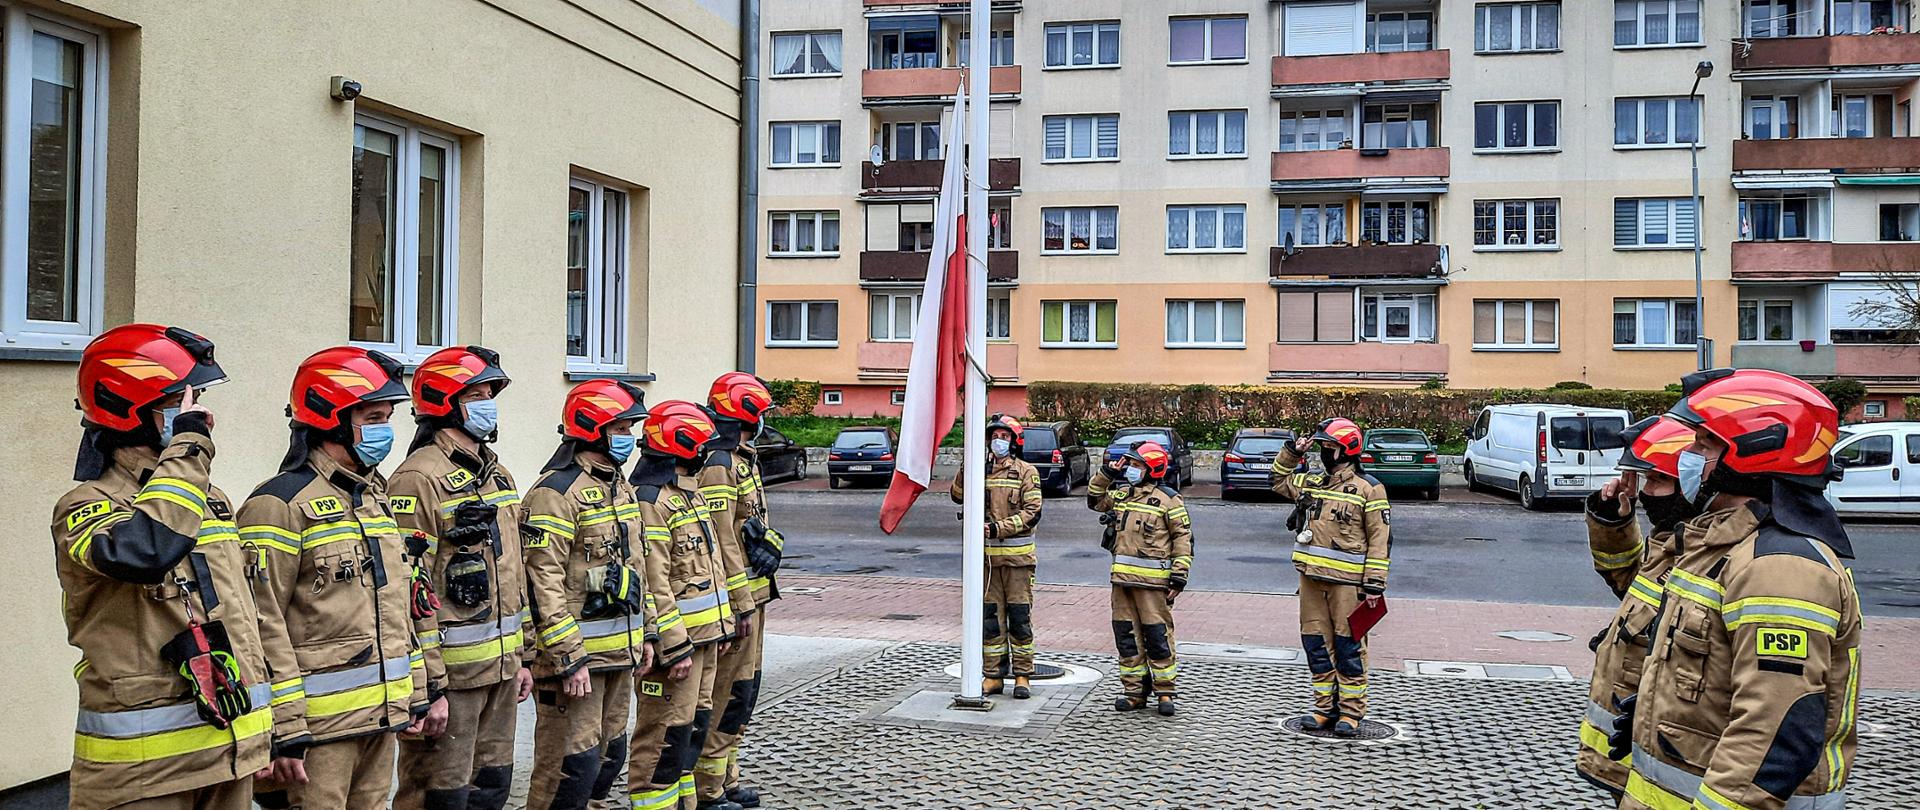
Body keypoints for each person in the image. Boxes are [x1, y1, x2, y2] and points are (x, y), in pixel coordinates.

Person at [1613, 369, 1863, 810]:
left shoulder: (1781, 568)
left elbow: (1774, 730)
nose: (1687, 456)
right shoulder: (1719, 545)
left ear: (1754, 452)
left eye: (1703, 445)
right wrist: (1665, 708)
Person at [53, 324, 273, 810]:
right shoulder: (86, 506)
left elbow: (244, 618)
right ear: (129, 409)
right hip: (144, 776)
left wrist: (268, 733)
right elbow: (145, 551)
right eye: (181, 402)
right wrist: (190, 447)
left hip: (229, 754)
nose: (201, 416)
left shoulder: (207, 500)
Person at [241, 346, 435, 808]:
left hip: (380, 718)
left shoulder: (373, 495)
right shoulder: (278, 505)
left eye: (387, 417)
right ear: (331, 417)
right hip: (317, 734)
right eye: (372, 416)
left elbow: (400, 603)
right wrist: (284, 729)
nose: (384, 430)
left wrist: (418, 693)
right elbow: (260, 624)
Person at [390, 346, 532, 810]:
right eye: (478, 393)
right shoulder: (418, 478)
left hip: (502, 671)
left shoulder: (498, 474)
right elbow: (408, 592)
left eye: (491, 393)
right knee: (438, 795)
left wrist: (524, 655)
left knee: (491, 788)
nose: (489, 402)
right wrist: (427, 689)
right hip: (452, 680)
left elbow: (516, 571)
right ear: (445, 401)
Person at [521, 380, 657, 810]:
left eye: (631, 428)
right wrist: (567, 657)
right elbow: (542, 582)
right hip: (576, 666)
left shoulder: (620, 487)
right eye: (621, 428)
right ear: (592, 427)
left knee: (605, 763)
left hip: (620, 655)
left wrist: (648, 632)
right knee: (568, 769)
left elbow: (638, 567)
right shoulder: (555, 493)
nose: (629, 439)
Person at [1577, 416, 1703, 800]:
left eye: (1657, 480)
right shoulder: (1673, 542)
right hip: (1639, 757)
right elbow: (1631, 583)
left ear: (1694, 485)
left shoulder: (1709, 554)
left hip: (1673, 768)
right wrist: (1613, 521)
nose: (1646, 492)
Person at [627, 400, 741, 810]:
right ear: (682, 446)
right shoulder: (650, 500)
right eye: (701, 445)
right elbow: (655, 581)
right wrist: (673, 645)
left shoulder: (687, 495)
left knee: (690, 734)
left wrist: (724, 626)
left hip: (706, 640)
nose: (707, 453)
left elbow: (709, 569)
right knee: (663, 740)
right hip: (680, 648)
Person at [694, 373, 784, 809]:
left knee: (744, 694)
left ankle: (727, 779)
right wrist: (740, 604)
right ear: (746, 414)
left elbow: (746, 531)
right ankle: (708, 791)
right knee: (726, 695)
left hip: (755, 597)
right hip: (737, 604)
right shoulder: (719, 463)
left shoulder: (742, 459)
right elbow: (721, 539)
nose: (765, 420)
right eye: (761, 412)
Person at [1270, 417, 1390, 736]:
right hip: (1311, 580)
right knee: (1316, 644)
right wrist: (1292, 453)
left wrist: (1374, 585)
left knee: (1348, 646)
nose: (1324, 451)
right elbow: (1277, 481)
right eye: (1323, 446)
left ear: (1346, 450)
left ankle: (1350, 713)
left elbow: (1380, 539)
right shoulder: (1314, 483)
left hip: (1348, 585)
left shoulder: (1369, 489)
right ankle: (1324, 709)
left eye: (1329, 447)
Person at [1087, 441, 1192, 716]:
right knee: (1127, 638)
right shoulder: (1122, 495)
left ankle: (1165, 692)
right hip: (1122, 584)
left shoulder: (1169, 499)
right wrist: (1107, 473)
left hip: (1154, 586)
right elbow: (1095, 499)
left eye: (1136, 466)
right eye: (1131, 465)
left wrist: (1178, 577)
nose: (1131, 470)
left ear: (1152, 469)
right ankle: (1133, 692)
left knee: (1157, 637)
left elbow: (1183, 538)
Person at [949, 414, 1044, 699]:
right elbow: (957, 495)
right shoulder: (981, 469)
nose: (998, 441)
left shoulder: (1027, 472)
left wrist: (997, 528)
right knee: (990, 621)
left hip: (1018, 562)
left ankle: (1023, 676)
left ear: (1014, 442)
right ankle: (993, 676)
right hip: (987, 562)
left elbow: (1032, 512)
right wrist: (967, 468)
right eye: (995, 436)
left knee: (1019, 619)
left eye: (1004, 437)